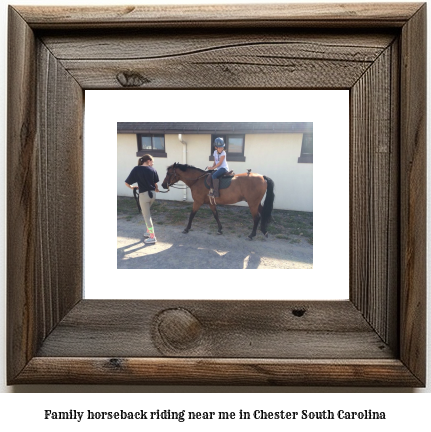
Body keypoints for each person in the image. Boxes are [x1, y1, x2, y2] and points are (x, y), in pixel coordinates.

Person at [124, 154, 159, 244]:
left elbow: (127, 183)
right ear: (148, 161)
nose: (153, 163)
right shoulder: (153, 170)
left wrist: (132, 187)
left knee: (147, 216)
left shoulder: (137, 169)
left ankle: (152, 237)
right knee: (146, 213)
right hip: (153, 195)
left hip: (144, 195)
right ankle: (148, 232)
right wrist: (156, 189)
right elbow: (155, 184)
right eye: (152, 161)